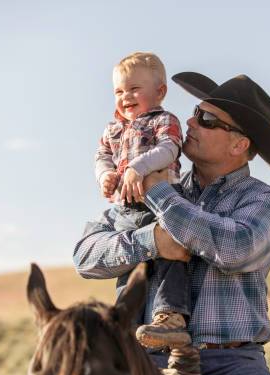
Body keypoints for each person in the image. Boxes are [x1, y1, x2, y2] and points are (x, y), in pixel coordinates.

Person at [73, 71, 270, 375]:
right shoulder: (152, 189)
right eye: (195, 113)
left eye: (207, 120)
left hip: (231, 363)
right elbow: (85, 255)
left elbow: (236, 248)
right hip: (146, 360)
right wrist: (151, 240)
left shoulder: (264, 200)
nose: (190, 124)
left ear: (240, 144)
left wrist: (158, 193)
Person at [93, 51, 192, 349]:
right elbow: (101, 157)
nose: (126, 97)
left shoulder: (163, 120)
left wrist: (139, 168)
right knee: (128, 265)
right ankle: (126, 321)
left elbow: (170, 149)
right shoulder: (113, 129)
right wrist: (105, 176)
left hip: (160, 200)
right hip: (125, 208)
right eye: (119, 91)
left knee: (168, 258)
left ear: (159, 91)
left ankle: (170, 316)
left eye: (135, 89)